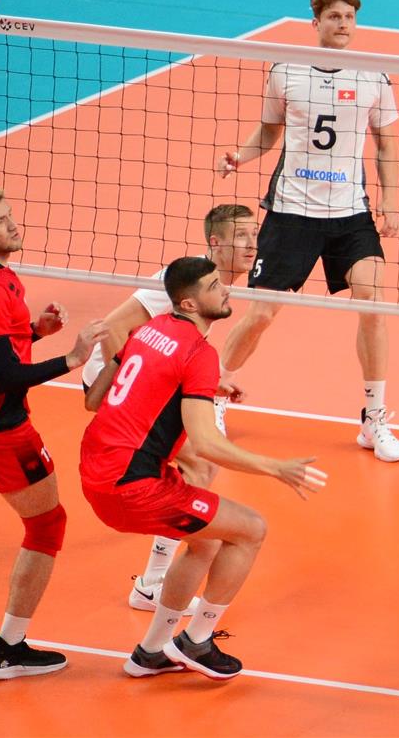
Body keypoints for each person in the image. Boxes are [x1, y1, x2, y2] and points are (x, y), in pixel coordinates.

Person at [81, 257, 326, 679]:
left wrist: (200, 385)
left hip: (95, 472)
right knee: (251, 529)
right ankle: (197, 640)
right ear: (190, 304)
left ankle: (151, 652)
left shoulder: (147, 330)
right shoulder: (199, 352)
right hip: (133, 487)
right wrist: (276, 468)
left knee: (207, 540)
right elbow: (208, 443)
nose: (226, 289)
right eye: (214, 286)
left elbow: (93, 400)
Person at [215, 0, 399, 463]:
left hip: (350, 213)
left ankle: (374, 419)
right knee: (261, 315)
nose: (344, 24)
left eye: (350, 17)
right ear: (316, 23)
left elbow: (385, 143)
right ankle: (212, 395)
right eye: (335, 17)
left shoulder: (373, 76)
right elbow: (269, 132)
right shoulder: (287, 71)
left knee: (373, 303)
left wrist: (390, 200)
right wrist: (240, 157)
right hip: (292, 212)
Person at [80, 204, 258, 614]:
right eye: (242, 236)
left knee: (200, 467)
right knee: (200, 462)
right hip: (115, 380)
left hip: (149, 382)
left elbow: (170, 349)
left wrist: (201, 382)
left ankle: (155, 579)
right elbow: (115, 326)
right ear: (216, 243)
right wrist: (126, 388)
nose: (252, 245)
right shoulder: (181, 281)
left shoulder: (214, 283)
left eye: (254, 234)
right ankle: (153, 582)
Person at [0, 186, 107, 678]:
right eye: (0, 222)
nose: (13, 225)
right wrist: (72, 359)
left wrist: (33, 333)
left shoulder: (1, 277)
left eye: (10, 215)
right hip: (2, 432)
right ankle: (8, 648)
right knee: (46, 525)